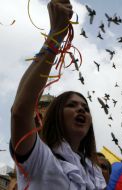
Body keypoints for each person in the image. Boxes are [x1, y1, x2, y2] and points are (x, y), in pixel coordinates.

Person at [10, 0, 106, 189]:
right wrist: (55, 37)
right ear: (53, 116)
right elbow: (20, 111)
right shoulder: (39, 157)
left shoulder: (95, 175)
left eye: (85, 108)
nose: (81, 109)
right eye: (71, 105)